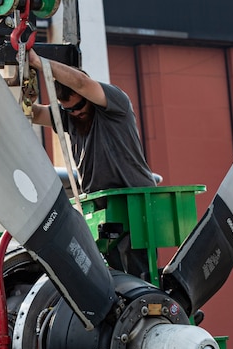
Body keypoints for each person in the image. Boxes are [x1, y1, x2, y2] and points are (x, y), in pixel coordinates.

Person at [27, 48, 156, 279]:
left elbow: (81, 83)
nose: (76, 113)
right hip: (99, 205)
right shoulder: (68, 117)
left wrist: (40, 63)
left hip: (133, 200)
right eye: (68, 110)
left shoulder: (114, 106)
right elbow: (33, 114)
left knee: (139, 272)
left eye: (79, 107)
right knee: (110, 273)